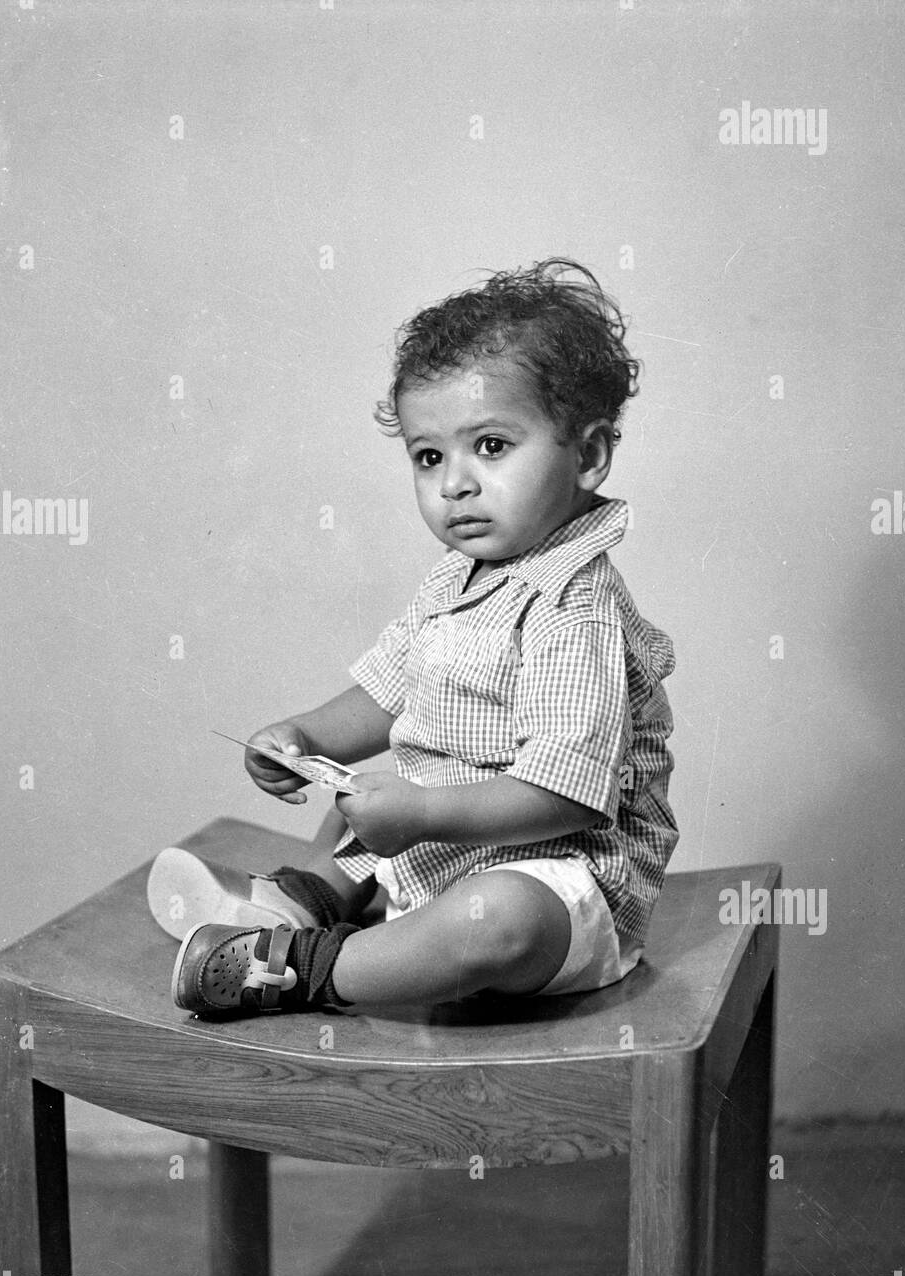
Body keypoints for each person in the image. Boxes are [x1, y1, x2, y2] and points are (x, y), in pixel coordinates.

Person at [147, 258, 679, 1016]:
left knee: (491, 919)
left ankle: (302, 966)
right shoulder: (456, 579)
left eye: (490, 447)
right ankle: (301, 902)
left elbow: (565, 795)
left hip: (563, 882)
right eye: (430, 457)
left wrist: (422, 814)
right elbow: (388, 692)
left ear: (587, 455)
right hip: (452, 844)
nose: (454, 483)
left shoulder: (572, 609)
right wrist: (302, 734)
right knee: (359, 799)